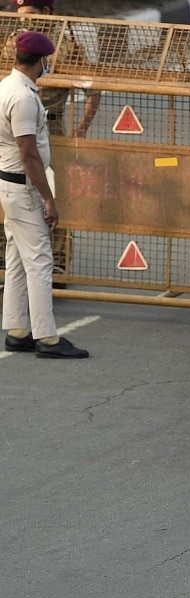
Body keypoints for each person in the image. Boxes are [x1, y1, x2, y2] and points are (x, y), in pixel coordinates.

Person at [0, 30, 86, 357]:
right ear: (40, 60)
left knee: (17, 258)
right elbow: (29, 154)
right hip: (24, 187)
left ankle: (18, 329)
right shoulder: (21, 97)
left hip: (10, 183)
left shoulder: (6, 86)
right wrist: (48, 198)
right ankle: (47, 338)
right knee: (39, 260)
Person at [6, 0, 102, 138]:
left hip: (49, 125)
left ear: (45, 12)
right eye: (20, 16)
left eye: (30, 14)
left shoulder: (67, 46)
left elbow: (93, 89)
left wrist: (82, 128)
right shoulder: (14, 41)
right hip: (12, 121)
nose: (24, 20)